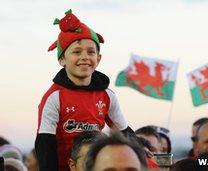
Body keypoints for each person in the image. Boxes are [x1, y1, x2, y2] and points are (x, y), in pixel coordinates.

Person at [35, 9, 135, 171]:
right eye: (76, 52)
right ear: (62, 59)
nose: (84, 57)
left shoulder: (107, 95)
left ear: (98, 58)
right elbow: (45, 142)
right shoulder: (54, 97)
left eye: (91, 52)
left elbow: (125, 133)